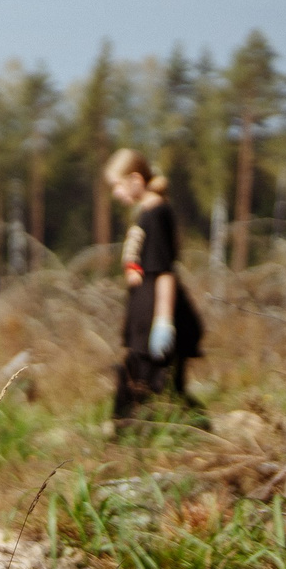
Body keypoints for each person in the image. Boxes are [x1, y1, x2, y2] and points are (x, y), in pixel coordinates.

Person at [105, 149, 204, 424]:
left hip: (155, 319)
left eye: (117, 185)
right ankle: (130, 438)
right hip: (142, 319)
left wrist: (162, 321)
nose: (115, 193)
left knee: (159, 386)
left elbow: (164, 272)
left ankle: (195, 429)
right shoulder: (145, 214)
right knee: (140, 384)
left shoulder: (157, 213)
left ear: (135, 180)